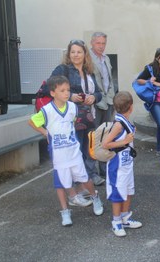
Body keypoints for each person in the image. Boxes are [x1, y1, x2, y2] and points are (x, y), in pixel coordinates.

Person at [28, 76, 104, 226]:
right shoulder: (47, 110)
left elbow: (73, 122)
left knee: (84, 178)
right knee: (60, 184)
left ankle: (95, 197)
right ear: (52, 93)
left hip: (73, 152)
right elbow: (31, 121)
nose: (66, 93)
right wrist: (45, 133)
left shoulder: (72, 107)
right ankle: (65, 211)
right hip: (58, 155)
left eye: (68, 90)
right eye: (62, 90)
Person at [50, 39, 106, 187]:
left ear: (84, 54)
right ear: (69, 54)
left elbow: (100, 93)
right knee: (76, 149)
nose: (76, 55)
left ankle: (90, 174)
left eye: (79, 52)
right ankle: (78, 179)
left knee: (90, 147)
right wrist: (69, 96)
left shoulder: (89, 71)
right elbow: (50, 87)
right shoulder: (63, 69)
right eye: (73, 52)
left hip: (89, 115)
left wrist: (94, 97)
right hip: (72, 118)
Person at [102, 91, 142, 237]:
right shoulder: (118, 124)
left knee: (128, 191)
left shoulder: (125, 121)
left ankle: (125, 217)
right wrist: (124, 141)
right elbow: (106, 144)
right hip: (116, 166)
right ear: (131, 107)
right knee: (117, 194)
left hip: (126, 164)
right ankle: (116, 221)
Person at [90, 32, 115, 178]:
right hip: (96, 103)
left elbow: (110, 81)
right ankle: (93, 172)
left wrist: (111, 97)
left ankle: (104, 169)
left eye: (103, 43)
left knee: (106, 136)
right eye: (98, 43)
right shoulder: (88, 59)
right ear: (92, 43)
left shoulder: (106, 59)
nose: (101, 46)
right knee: (94, 137)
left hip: (108, 101)